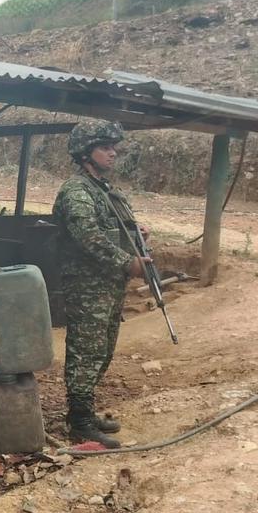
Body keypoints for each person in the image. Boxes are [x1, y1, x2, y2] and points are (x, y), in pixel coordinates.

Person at [52, 120, 151, 449]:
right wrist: (128, 262)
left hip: (110, 284)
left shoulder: (107, 191)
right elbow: (88, 236)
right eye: (104, 147)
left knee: (104, 349)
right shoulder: (76, 191)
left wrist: (136, 235)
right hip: (87, 287)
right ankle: (79, 421)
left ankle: (85, 412)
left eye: (113, 147)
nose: (113, 153)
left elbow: (114, 229)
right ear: (85, 153)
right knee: (86, 351)